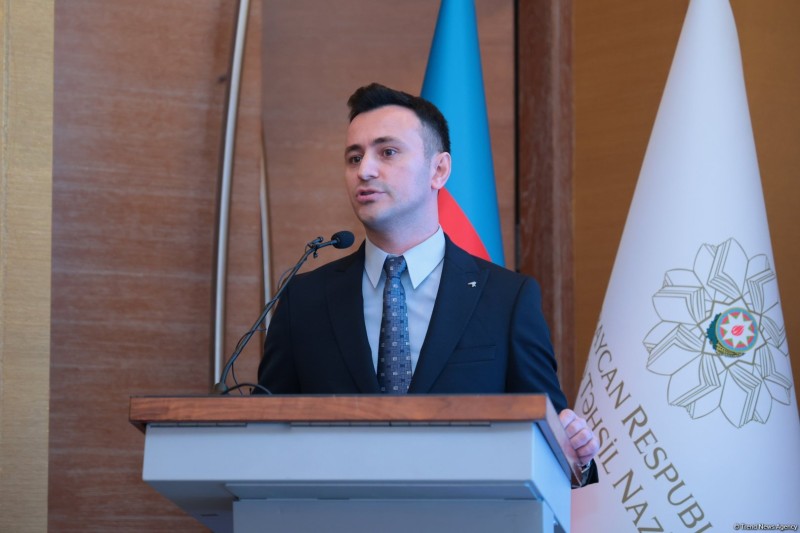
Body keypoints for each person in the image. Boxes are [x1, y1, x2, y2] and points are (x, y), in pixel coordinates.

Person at [257, 82, 599, 485]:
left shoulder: (506, 300)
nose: (364, 170)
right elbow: (263, 439)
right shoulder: (304, 300)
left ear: (439, 170)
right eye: (354, 157)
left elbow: (553, 448)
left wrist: (575, 455)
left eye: (387, 152)